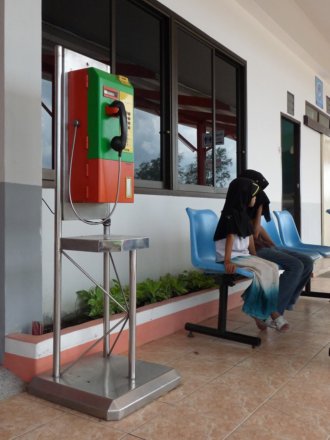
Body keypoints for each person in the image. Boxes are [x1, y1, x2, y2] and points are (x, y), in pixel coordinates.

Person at [213, 177, 289, 332]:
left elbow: (250, 239)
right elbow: (229, 237)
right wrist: (227, 260)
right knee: (263, 271)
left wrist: (255, 256)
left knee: (273, 267)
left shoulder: (243, 214)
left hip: (243, 255)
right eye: (253, 196)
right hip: (231, 256)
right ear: (243, 196)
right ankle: (273, 313)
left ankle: (255, 307)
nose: (254, 199)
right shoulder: (230, 214)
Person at [240, 169, 313, 319]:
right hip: (251, 251)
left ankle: (285, 302)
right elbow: (253, 234)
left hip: (264, 247)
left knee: (307, 261)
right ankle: (271, 312)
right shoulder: (237, 207)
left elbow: (258, 227)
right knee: (296, 265)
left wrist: (273, 244)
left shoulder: (251, 203)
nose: (257, 194)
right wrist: (259, 209)